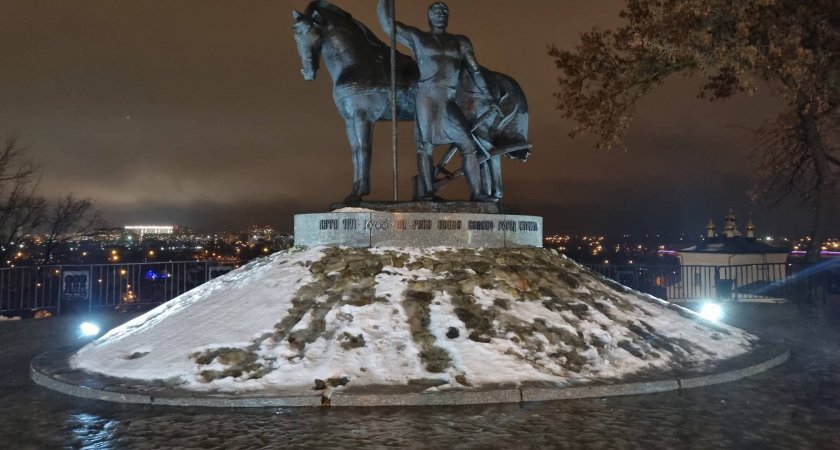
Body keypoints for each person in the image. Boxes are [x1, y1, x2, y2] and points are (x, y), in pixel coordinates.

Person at [377, 0, 498, 202]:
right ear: (429, 16)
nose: (440, 13)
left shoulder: (460, 42)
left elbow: (475, 70)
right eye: (435, 10)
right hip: (427, 98)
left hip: (448, 99)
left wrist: (491, 97)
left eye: (444, 10)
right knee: (425, 145)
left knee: (467, 143)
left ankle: (477, 192)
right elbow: (388, 25)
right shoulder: (419, 38)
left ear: (448, 16)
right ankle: (427, 192)